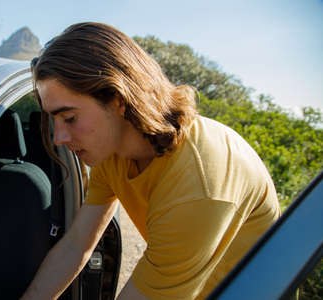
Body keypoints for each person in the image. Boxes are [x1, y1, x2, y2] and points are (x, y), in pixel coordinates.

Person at [21, 22, 280, 300]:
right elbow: (76, 245)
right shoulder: (113, 152)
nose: (59, 137)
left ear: (118, 99)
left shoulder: (196, 182)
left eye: (70, 118)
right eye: (54, 120)